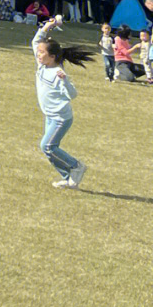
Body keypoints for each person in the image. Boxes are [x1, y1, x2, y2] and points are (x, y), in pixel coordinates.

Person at [31, 16, 90, 188]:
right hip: (49, 115)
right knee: (49, 150)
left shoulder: (58, 73)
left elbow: (73, 95)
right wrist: (48, 26)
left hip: (60, 118)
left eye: (42, 53)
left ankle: (76, 166)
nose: (38, 54)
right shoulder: (42, 65)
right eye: (39, 52)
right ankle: (68, 178)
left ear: (52, 56)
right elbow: (36, 40)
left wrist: (64, 80)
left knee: (47, 146)